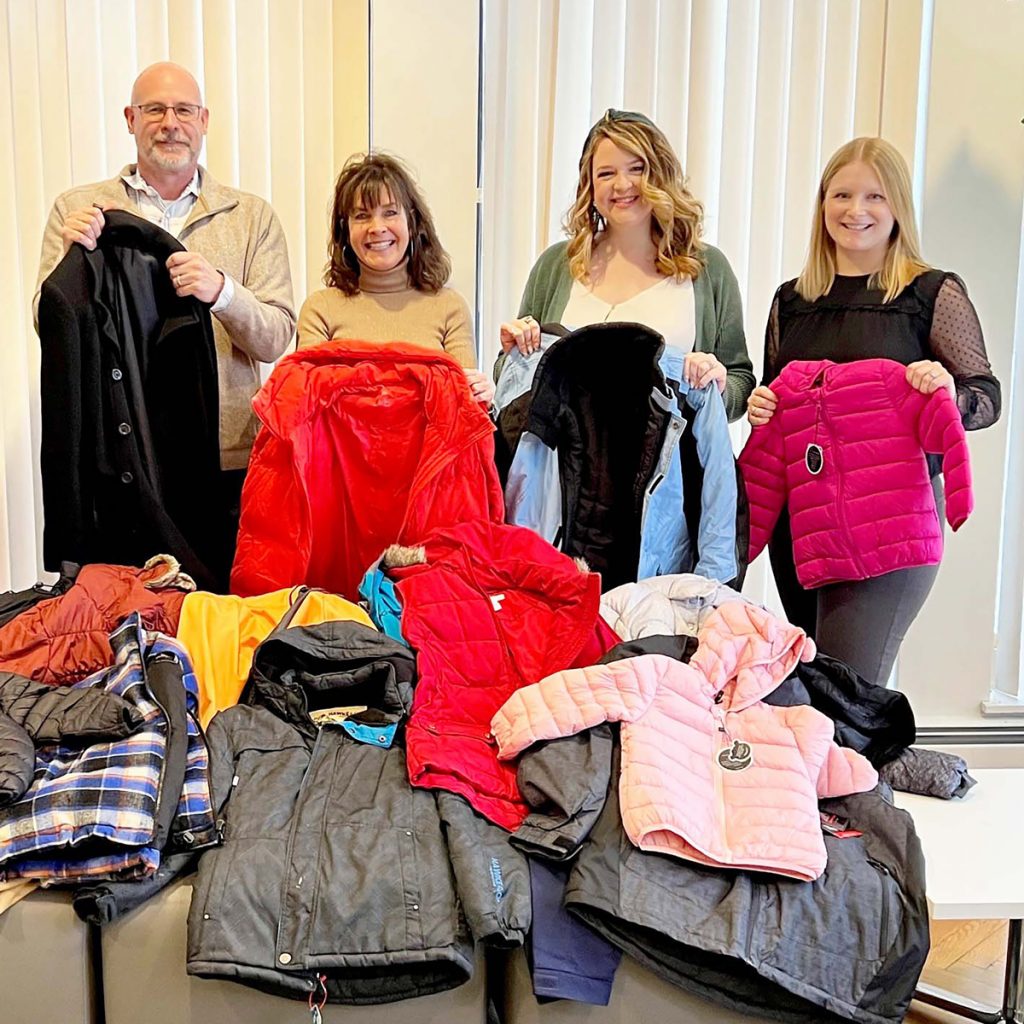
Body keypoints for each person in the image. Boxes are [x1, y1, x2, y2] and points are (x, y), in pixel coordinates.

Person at [746, 136, 1000, 685]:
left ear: (898, 207)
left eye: (874, 197)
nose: (855, 211)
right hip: (800, 521)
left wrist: (947, 390)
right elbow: (777, 400)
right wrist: (760, 405)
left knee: (849, 696)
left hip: (889, 519)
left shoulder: (930, 293)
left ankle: (889, 773)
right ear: (822, 205)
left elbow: (984, 398)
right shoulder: (793, 300)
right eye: (841, 195)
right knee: (819, 696)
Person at [34, 61, 296, 520]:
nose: (170, 124)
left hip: (226, 459)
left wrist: (222, 293)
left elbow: (275, 337)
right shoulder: (77, 209)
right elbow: (46, 324)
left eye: (184, 110)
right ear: (130, 119)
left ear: (204, 121)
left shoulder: (251, 217)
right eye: (154, 110)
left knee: (220, 592)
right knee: (128, 592)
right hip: (117, 459)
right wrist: (67, 259)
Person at [496, 108, 754, 422]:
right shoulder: (557, 265)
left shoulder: (707, 268)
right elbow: (507, 378)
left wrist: (717, 386)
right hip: (566, 467)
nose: (622, 185)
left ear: (661, 174)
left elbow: (740, 384)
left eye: (637, 169)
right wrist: (516, 352)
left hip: (677, 469)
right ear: (589, 186)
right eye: (606, 173)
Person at [297, 152, 494, 405]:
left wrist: (482, 394)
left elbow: (461, 410)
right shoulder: (319, 310)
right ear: (345, 230)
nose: (377, 227)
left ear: (412, 222)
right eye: (361, 216)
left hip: (431, 446)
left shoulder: (450, 308)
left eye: (390, 212)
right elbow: (307, 408)